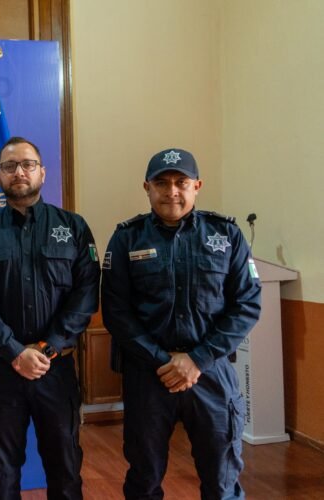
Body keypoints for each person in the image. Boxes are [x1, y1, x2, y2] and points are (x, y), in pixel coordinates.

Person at [101, 148, 262, 499]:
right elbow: (116, 311)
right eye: (162, 183)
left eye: (181, 182)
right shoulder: (127, 238)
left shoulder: (227, 235)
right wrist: (163, 361)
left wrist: (196, 360)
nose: (171, 191)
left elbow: (247, 304)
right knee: (144, 478)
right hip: (148, 375)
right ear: (147, 187)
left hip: (210, 373)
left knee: (222, 478)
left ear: (197, 186)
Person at [0, 136, 100, 499]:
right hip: (0, 370)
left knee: (65, 467)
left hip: (57, 369)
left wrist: (47, 348)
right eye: (9, 166)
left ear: (42, 172)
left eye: (27, 164)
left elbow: (86, 293)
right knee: (2, 472)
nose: (19, 172)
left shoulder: (73, 226)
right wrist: (14, 352)